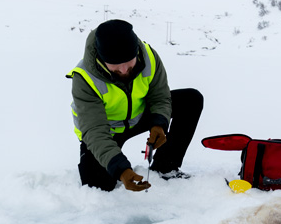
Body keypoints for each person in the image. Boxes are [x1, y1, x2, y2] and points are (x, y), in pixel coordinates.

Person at [67, 19, 203, 191]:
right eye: (115, 65)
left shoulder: (148, 56)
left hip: (137, 117)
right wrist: (121, 168)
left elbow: (160, 96)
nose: (124, 70)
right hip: (104, 131)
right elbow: (94, 130)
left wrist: (159, 123)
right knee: (99, 188)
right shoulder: (84, 78)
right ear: (101, 59)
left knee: (190, 100)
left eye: (129, 62)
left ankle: (165, 168)